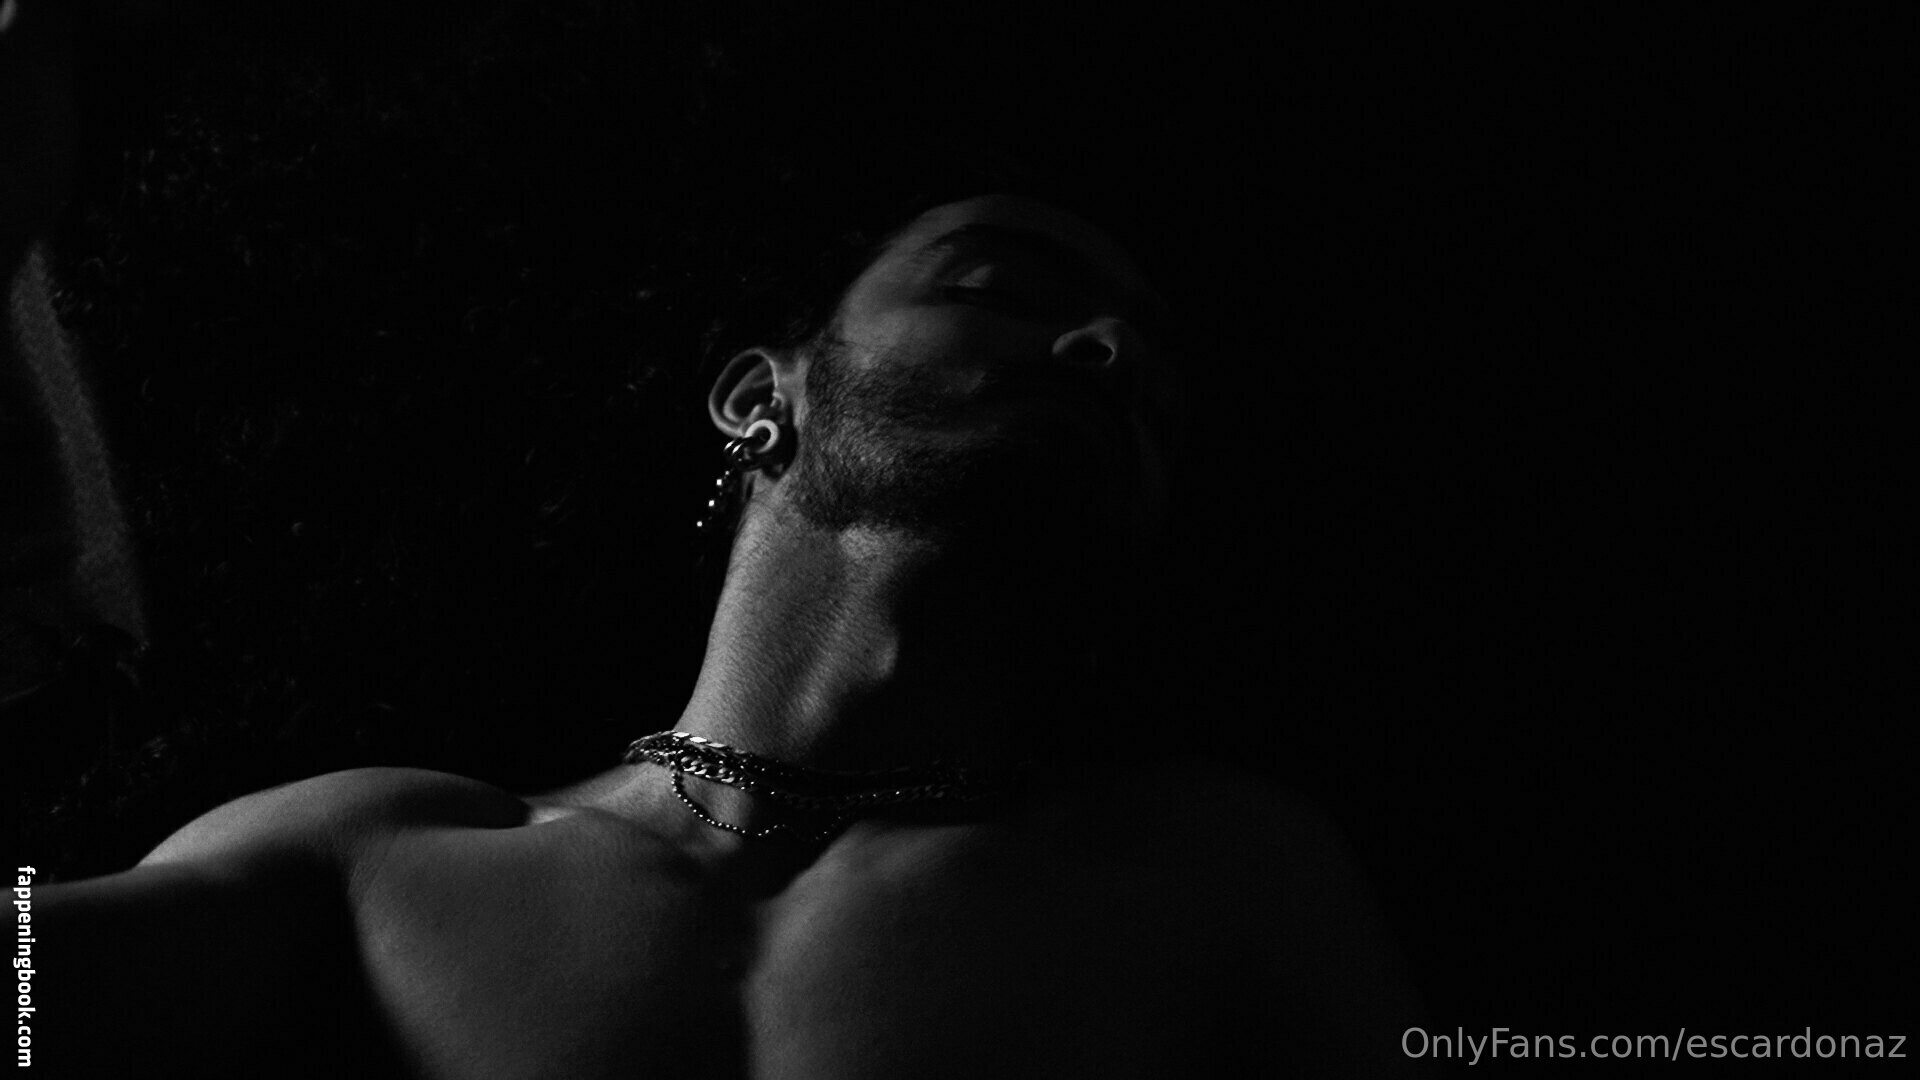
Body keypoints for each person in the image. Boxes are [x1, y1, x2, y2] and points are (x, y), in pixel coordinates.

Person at [38, 191, 1428, 1078]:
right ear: (762, 401)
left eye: (1150, 372)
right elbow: (28, 997)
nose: (1104, 348)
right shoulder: (388, 863)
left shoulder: (1208, 889)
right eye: (1001, 286)